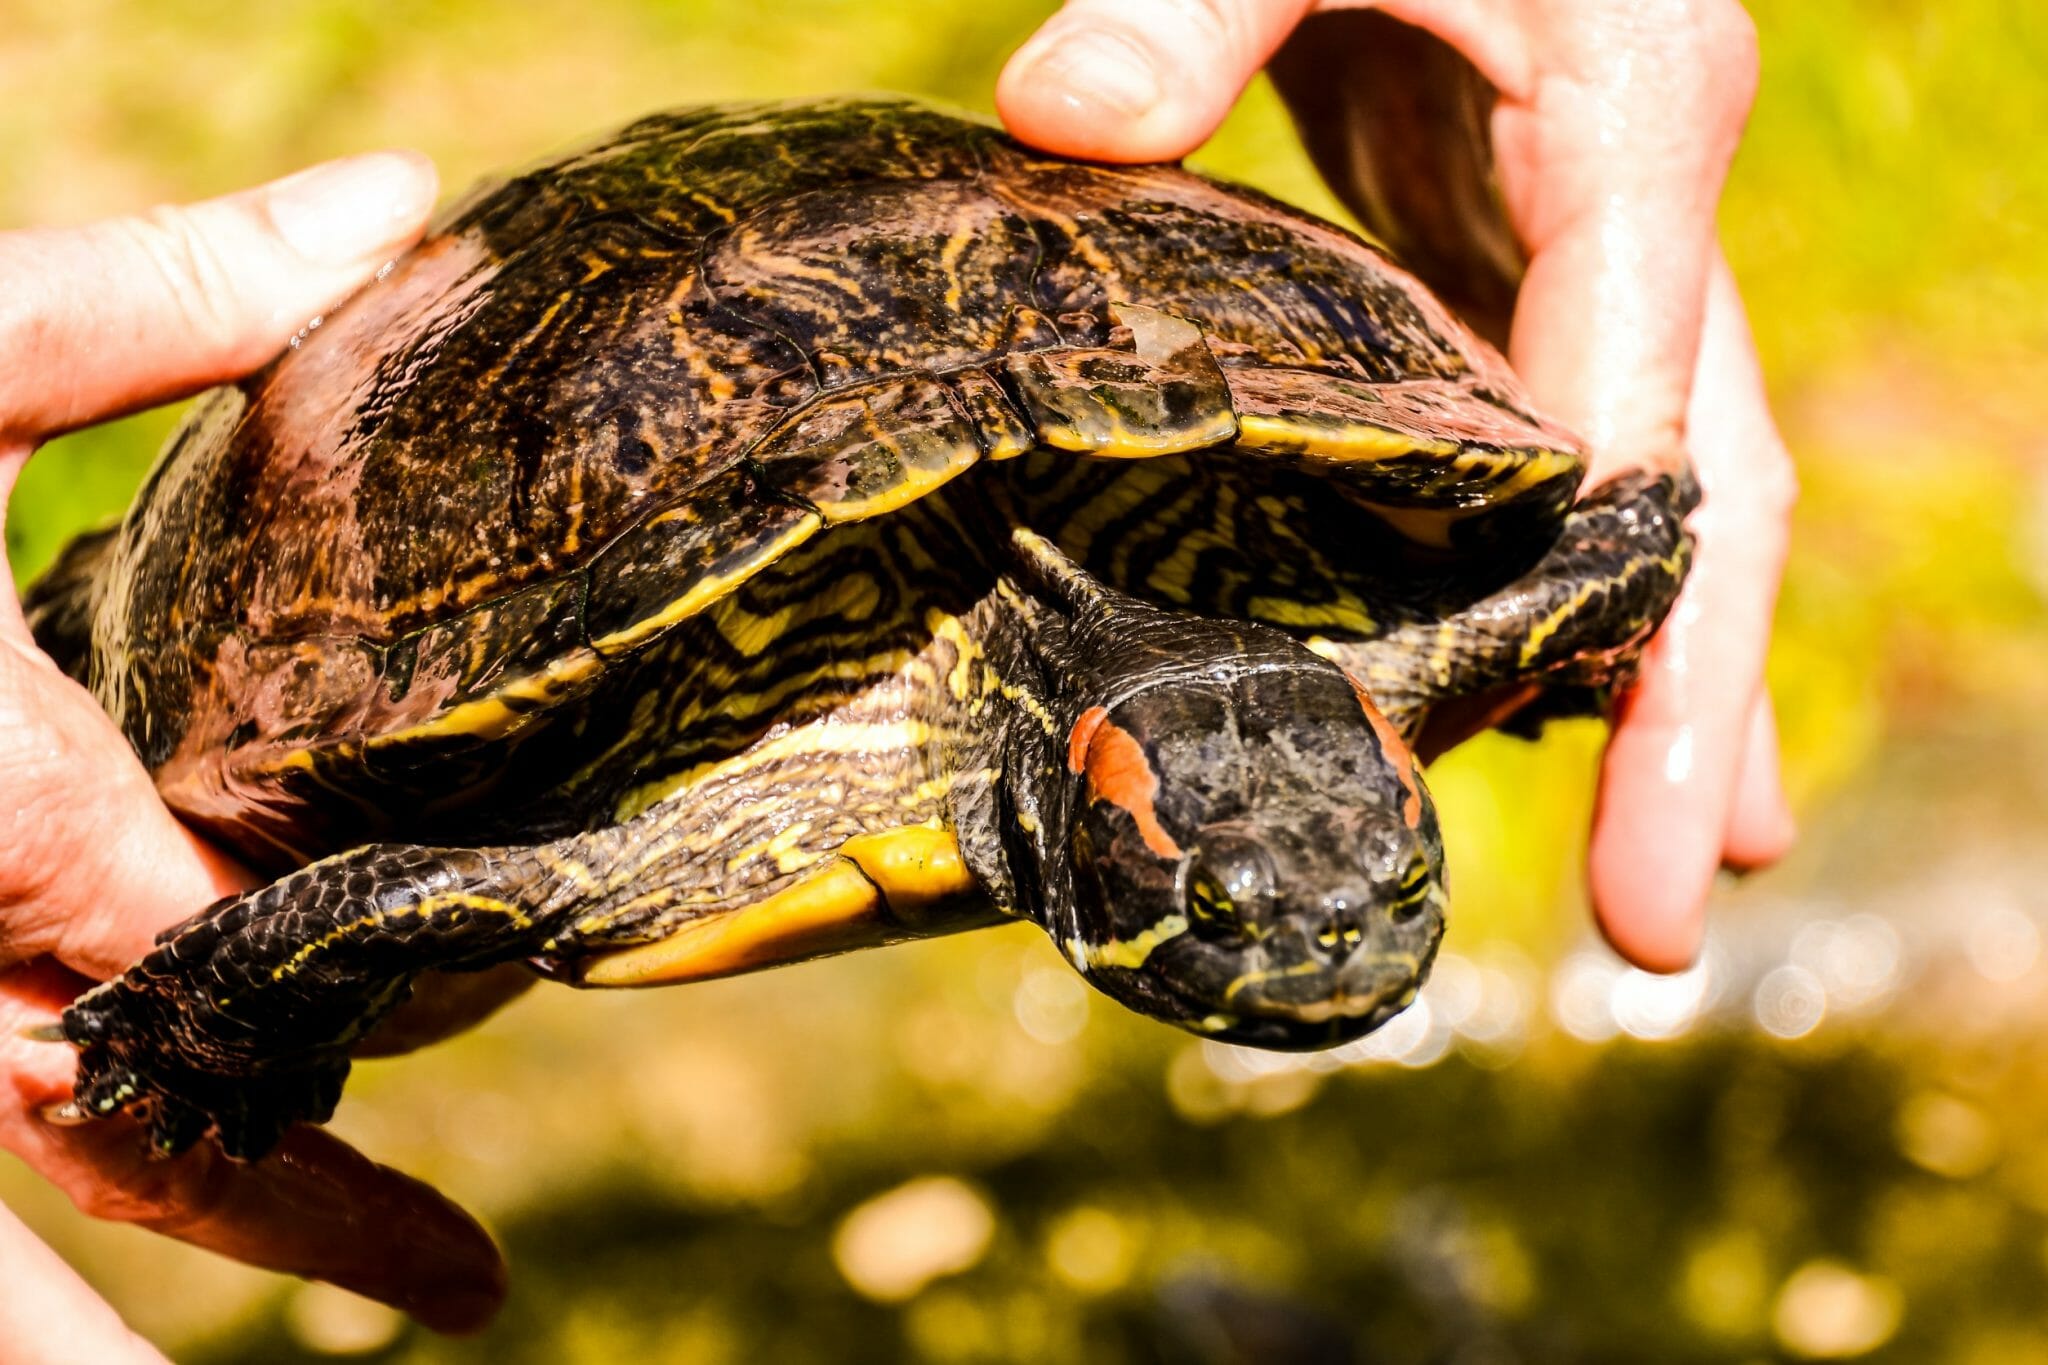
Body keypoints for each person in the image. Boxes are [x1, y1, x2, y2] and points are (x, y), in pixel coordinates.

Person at [0, 1, 1795, 1352]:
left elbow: (1608, 530)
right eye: (1248, 897)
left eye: (1377, 876)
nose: (1345, 931)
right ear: (1106, 823)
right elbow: (415, 886)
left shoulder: (1333, 642)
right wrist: (208, 1018)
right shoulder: (726, 771)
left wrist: (1604, 562)